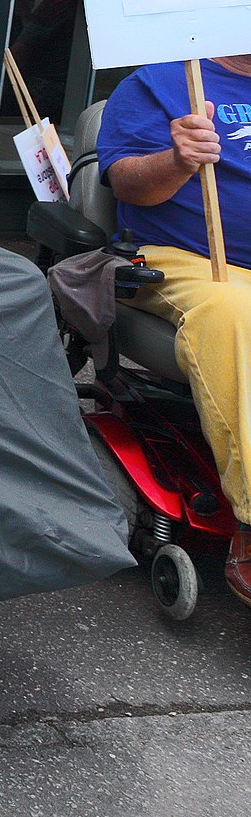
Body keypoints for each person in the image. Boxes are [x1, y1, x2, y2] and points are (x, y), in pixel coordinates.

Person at [99, 56, 251, 603]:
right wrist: (178, 159)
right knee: (233, 307)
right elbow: (127, 183)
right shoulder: (162, 81)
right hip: (186, 258)